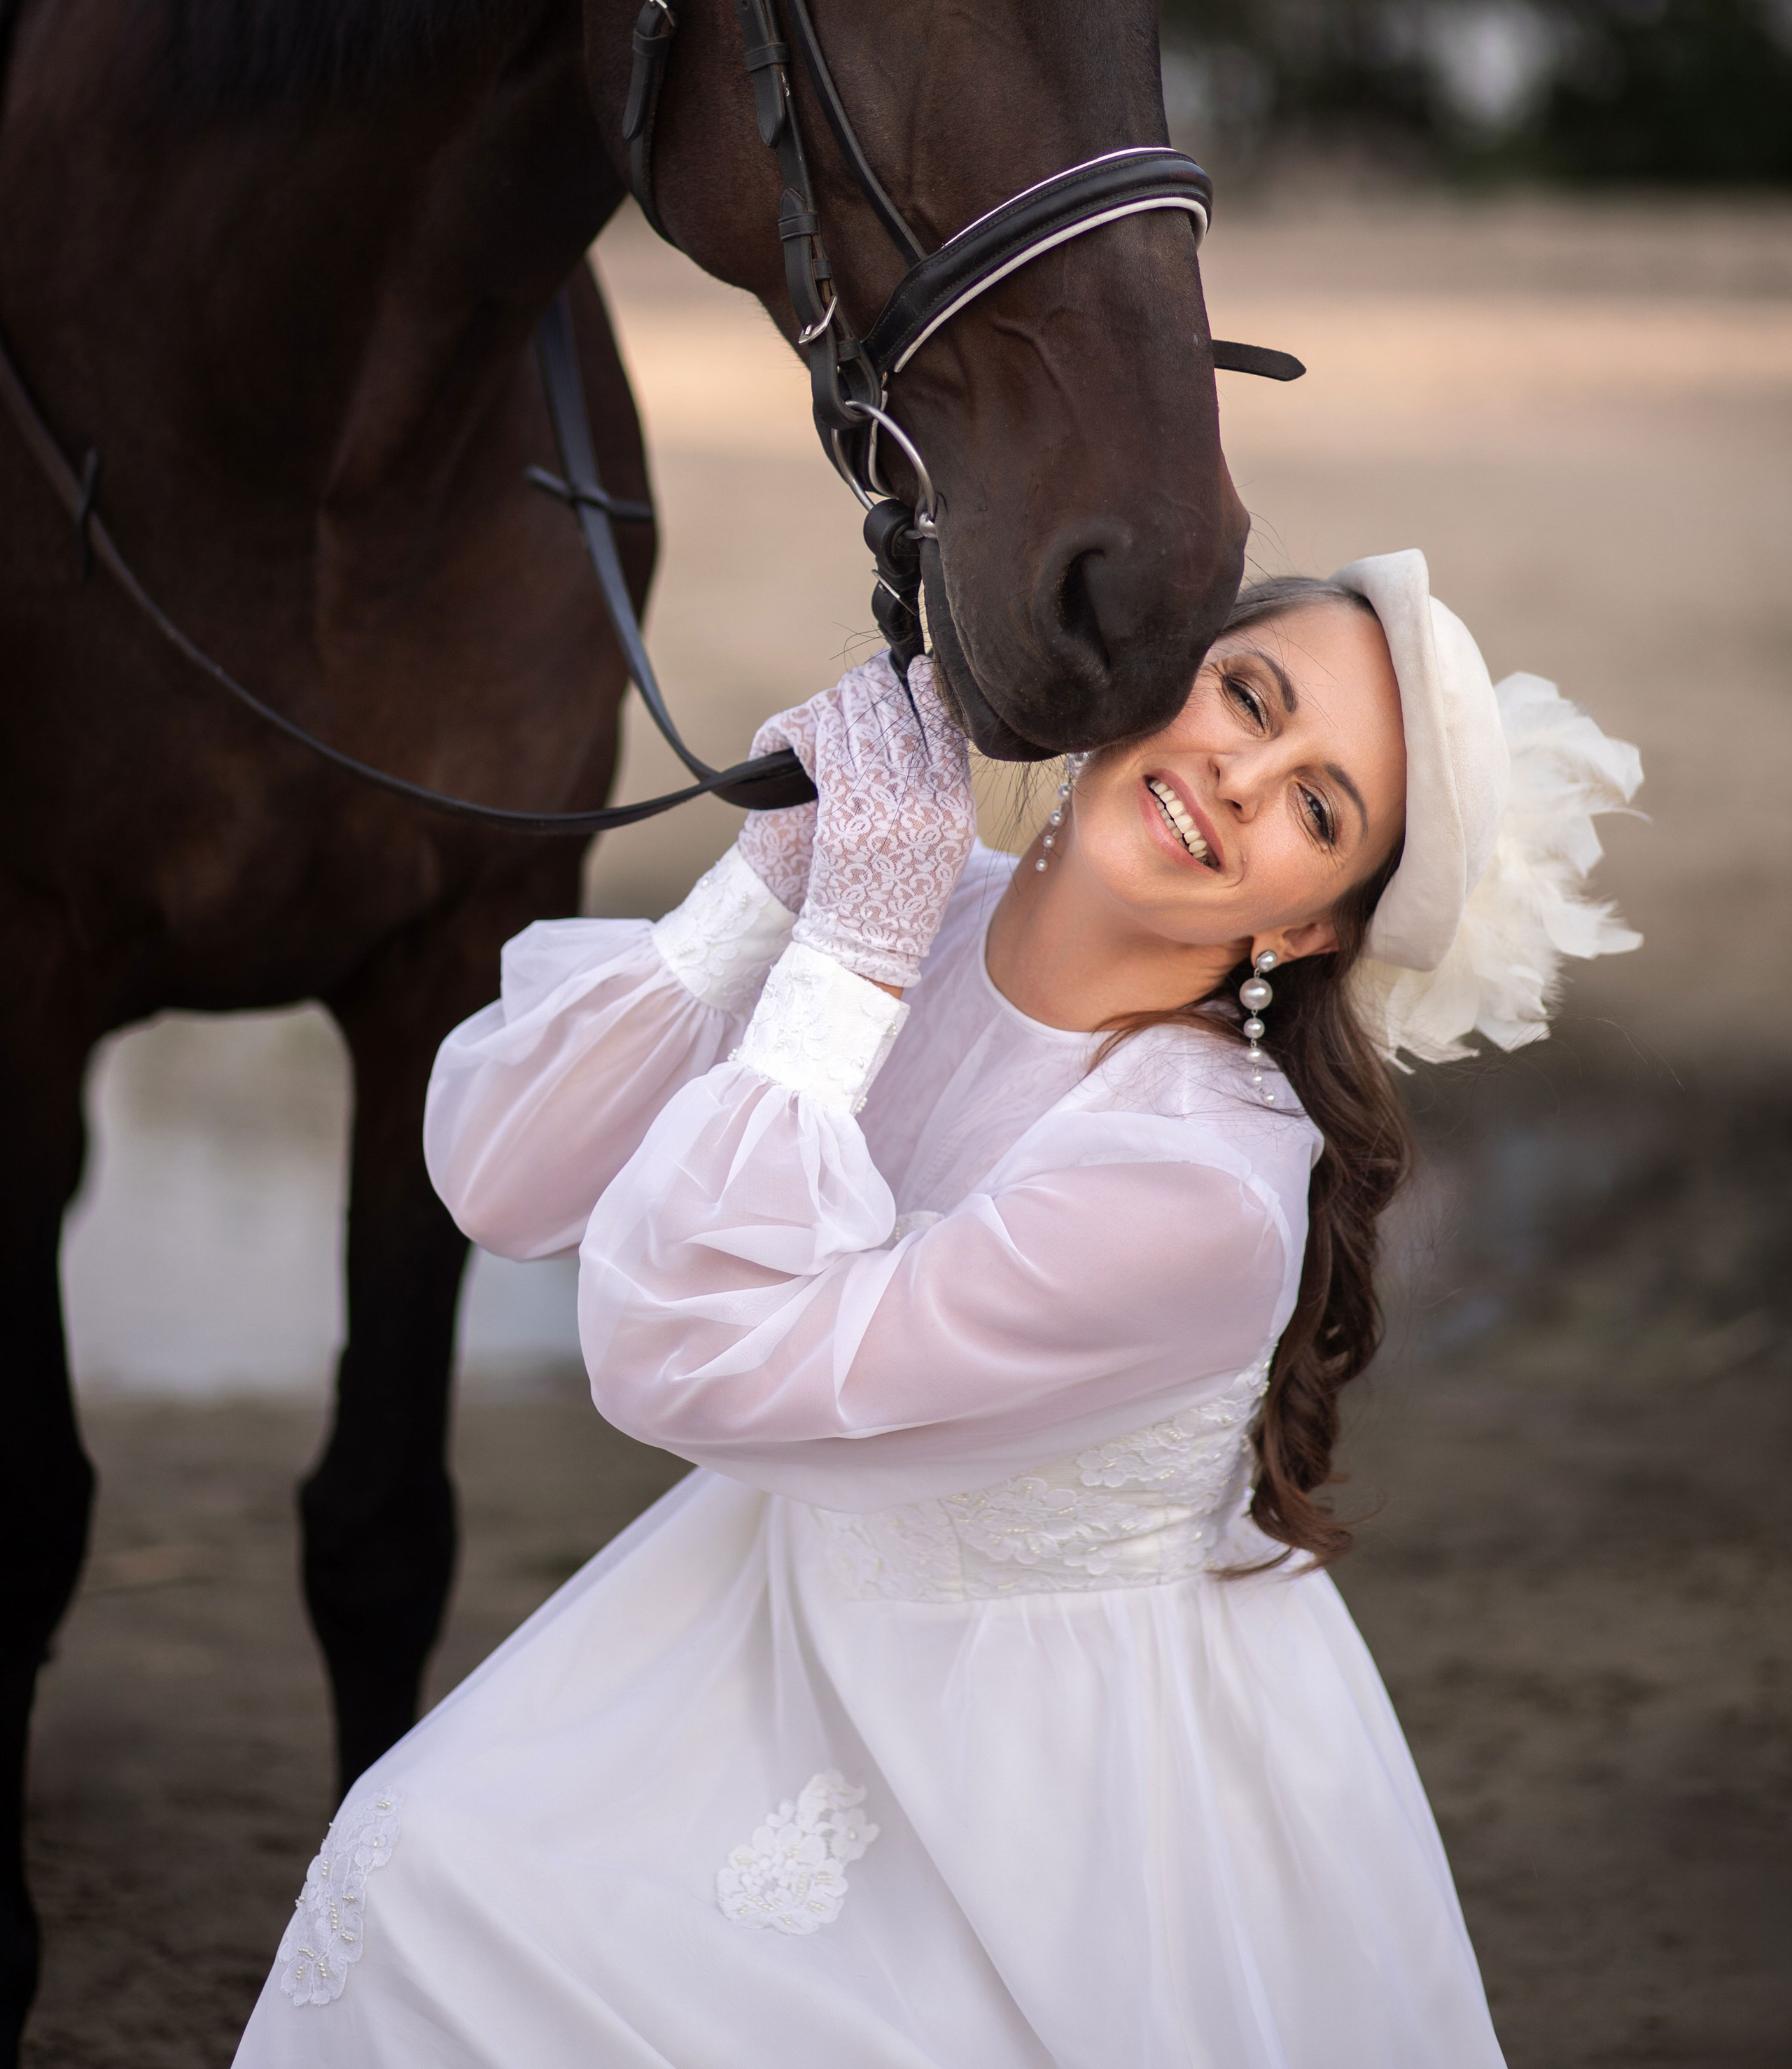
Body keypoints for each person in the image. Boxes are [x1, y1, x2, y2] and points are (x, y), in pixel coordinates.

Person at [234, 549, 1641, 2069]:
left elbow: (683, 1366)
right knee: (432, 1865)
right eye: (1246, 696)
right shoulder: (914, 900)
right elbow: (504, 1179)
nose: (1241, 777)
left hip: (1047, 1770)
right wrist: (766, 882)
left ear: (1303, 931)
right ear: (1142, 682)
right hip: (760, 1609)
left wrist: (843, 958)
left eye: (1316, 808)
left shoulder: (1194, 1191)